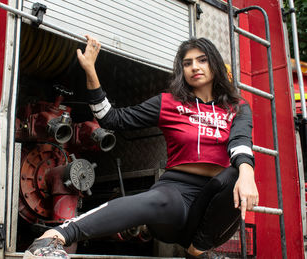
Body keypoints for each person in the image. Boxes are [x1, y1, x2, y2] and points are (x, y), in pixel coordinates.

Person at [23, 35, 259, 259]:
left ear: (215, 64)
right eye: (187, 63)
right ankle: (52, 238)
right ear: (182, 70)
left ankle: (198, 250)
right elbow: (112, 119)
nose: (195, 67)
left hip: (212, 203)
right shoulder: (169, 102)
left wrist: (247, 174)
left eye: (202, 60)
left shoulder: (236, 107)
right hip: (176, 194)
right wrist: (91, 72)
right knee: (155, 200)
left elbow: (240, 141)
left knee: (236, 173)